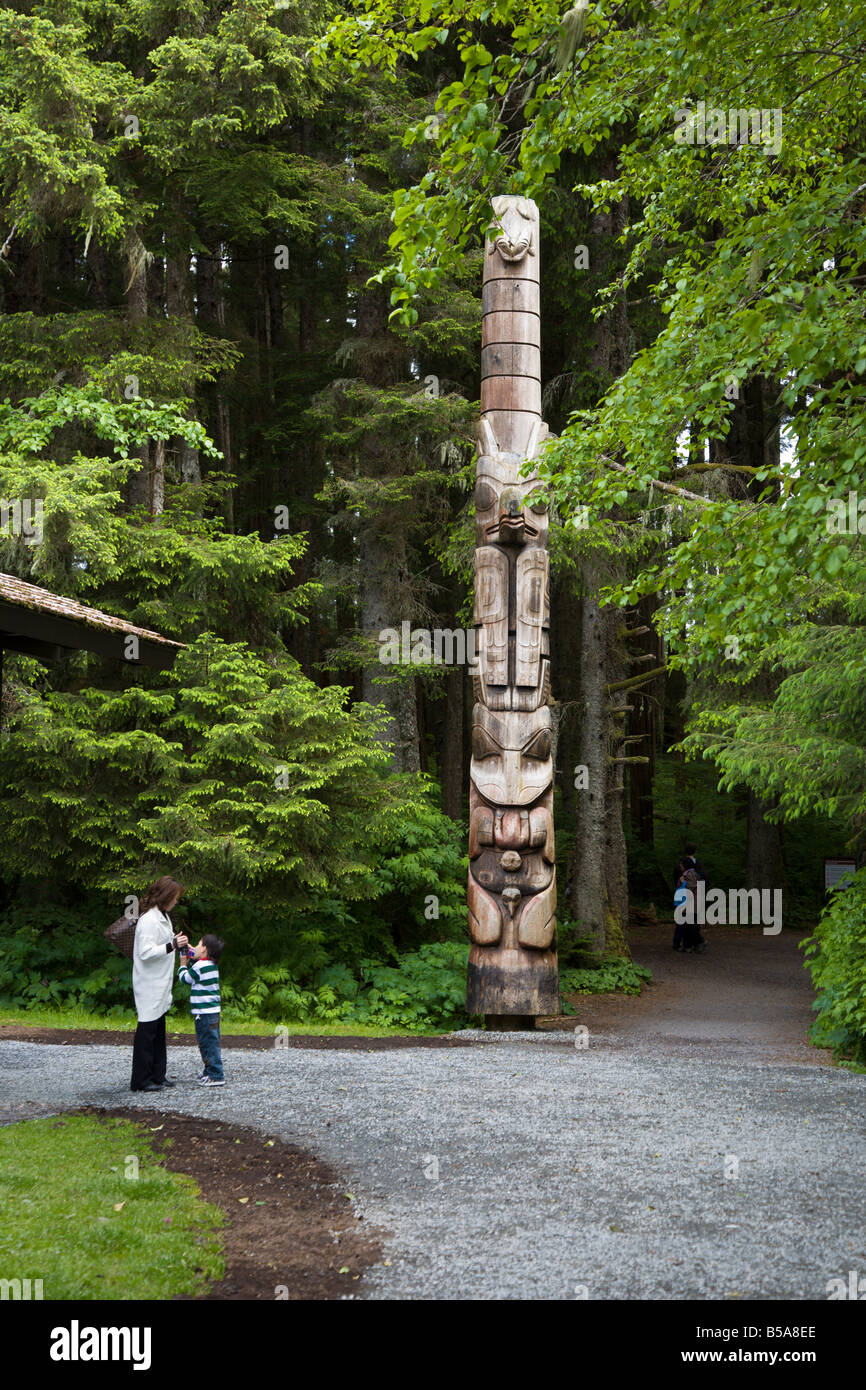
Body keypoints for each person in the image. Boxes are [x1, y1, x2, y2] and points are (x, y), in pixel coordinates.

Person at [130, 876, 187, 1092]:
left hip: (160, 983)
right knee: (147, 1032)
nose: (176, 902)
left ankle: (157, 1074)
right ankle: (140, 1080)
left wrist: (176, 942)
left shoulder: (162, 916)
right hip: (149, 984)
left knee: (158, 1030)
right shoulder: (148, 920)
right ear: (165, 897)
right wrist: (172, 944)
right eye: (174, 898)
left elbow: (164, 942)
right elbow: (145, 953)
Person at [177, 934, 225, 1087]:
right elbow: (198, 961)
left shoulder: (198, 967)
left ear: (204, 949)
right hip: (212, 1013)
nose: (194, 948)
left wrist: (183, 963)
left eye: (197, 945)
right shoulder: (210, 964)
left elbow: (185, 978)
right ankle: (209, 1071)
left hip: (204, 1014)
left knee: (207, 1043)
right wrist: (192, 952)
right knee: (210, 1042)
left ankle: (216, 1075)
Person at [672, 841, 708, 953]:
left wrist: (681, 884)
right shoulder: (698, 866)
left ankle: (688, 943)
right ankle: (689, 944)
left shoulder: (684, 865)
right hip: (694, 897)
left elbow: (680, 880)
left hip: (688, 898)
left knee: (686, 922)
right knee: (691, 922)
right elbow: (705, 880)